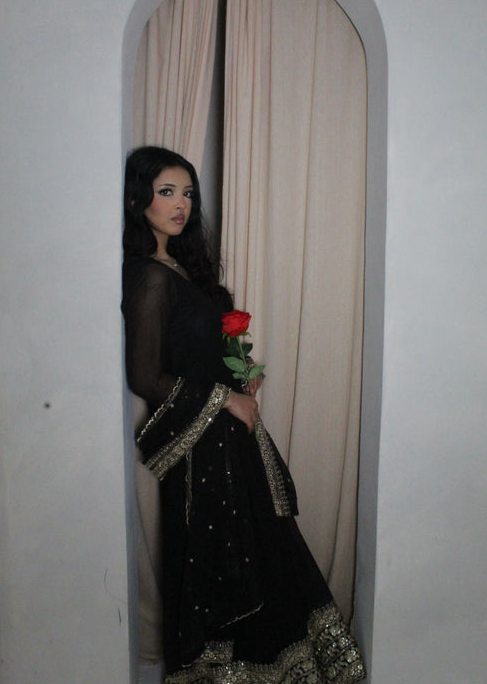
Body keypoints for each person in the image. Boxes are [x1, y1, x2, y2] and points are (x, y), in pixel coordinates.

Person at [122, 146, 365, 684]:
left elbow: (200, 350)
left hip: (230, 436)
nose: (181, 204)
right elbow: (145, 376)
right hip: (199, 445)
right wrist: (224, 399)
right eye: (166, 192)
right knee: (217, 557)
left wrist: (243, 374)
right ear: (138, 199)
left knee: (259, 545)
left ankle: (276, 666)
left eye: (187, 193)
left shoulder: (183, 269)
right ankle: (220, 672)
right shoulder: (149, 278)